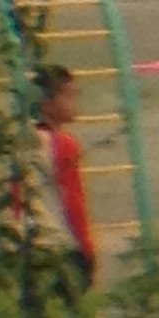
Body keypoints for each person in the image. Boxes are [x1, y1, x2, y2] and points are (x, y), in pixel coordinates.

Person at [34, 65, 97, 288]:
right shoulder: (63, 145)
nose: (74, 102)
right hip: (63, 247)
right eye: (68, 95)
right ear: (46, 104)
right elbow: (73, 203)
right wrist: (88, 250)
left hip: (31, 246)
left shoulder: (24, 142)